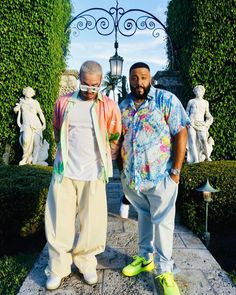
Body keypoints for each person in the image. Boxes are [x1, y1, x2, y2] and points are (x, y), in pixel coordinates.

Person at [44, 60, 122, 290]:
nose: (90, 90)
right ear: (79, 79)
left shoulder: (108, 105)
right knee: (59, 221)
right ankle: (58, 268)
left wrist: (108, 159)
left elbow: (115, 134)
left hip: (94, 173)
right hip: (64, 171)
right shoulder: (64, 102)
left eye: (95, 86)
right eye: (86, 85)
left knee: (93, 222)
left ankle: (86, 262)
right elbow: (57, 130)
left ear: (100, 83)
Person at [119, 62, 190, 295]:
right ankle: (144, 258)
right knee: (144, 216)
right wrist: (120, 170)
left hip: (161, 177)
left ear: (149, 79)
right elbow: (118, 138)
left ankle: (165, 270)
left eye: (143, 77)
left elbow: (181, 131)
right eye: (134, 78)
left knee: (163, 223)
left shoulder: (165, 100)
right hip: (133, 179)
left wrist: (176, 172)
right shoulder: (124, 106)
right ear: (129, 80)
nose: (139, 82)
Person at [13, 86, 47, 165]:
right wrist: (16, 109)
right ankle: (25, 158)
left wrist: (44, 123)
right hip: (26, 124)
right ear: (24, 92)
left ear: (32, 94)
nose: (29, 93)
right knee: (25, 140)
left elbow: (40, 113)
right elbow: (16, 109)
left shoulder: (35, 102)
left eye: (30, 92)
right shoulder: (21, 102)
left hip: (36, 124)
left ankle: (34, 161)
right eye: (27, 91)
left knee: (36, 143)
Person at [186, 85, 214, 163]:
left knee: (203, 139)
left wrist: (210, 118)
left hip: (201, 124)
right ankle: (195, 159)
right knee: (192, 140)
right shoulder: (191, 101)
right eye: (197, 91)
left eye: (200, 91)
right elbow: (186, 112)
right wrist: (187, 121)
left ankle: (207, 156)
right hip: (191, 123)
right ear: (194, 92)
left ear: (203, 92)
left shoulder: (205, 102)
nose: (199, 92)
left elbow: (207, 114)